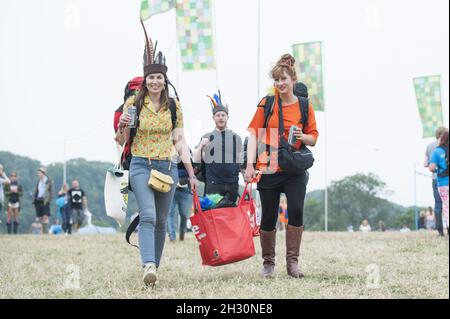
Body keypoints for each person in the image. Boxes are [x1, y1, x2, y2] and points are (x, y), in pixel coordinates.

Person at [115, 20, 197, 286]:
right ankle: (147, 263)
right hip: (140, 164)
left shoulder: (174, 106)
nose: (154, 81)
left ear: (164, 80)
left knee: (162, 220)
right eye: (150, 77)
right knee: (148, 215)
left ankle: (154, 268)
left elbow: (180, 141)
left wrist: (192, 173)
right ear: (145, 79)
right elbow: (122, 139)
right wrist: (123, 127)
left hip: (167, 167)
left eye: (159, 78)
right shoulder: (133, 103)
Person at [245, 53, 319, 279]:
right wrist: (249, 165)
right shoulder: (267, 104)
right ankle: (268, 264)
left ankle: (292, 263)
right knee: (268, 215)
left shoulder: (305, 106)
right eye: (276, 80)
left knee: (296, 210)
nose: (280, 84)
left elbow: (314, 138)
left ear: (293, 80)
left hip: (294, 167)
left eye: (284, 79)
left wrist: (301, 135)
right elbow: (254, 135)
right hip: (269, 166)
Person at [193, 92, 242, 203]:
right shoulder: (206, 137)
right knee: (212, 218)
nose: (221, 118)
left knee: (230, 218)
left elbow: (240, 161)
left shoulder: (236, 138)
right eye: (218, 115)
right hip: (213, 185)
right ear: (213, 118)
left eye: (223, 115)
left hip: (232, 185)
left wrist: (247, 176)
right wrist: (201, 146)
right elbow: (196, 159)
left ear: (227, 117)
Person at [424, 127, 447, 236]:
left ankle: (440, 231)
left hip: (436, 179)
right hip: (446, 179)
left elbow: (426, 164)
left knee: (438, 204)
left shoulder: (429, 146)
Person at [167, 162, 193, 242]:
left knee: (184, 214)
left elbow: (193, 168)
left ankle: (182, 234)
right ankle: (172, 236)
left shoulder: (188, 153)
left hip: (184, 189)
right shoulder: (169, 153)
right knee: (169, 213)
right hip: (171, 187)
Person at [33, 167, 53, 234]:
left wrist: (49, 199)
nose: (38, 174)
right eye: (38, 173)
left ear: (43, 173)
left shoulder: (48, 180)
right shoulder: (38, 181)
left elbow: (50, 191)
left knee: (45, 216)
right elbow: (37, 190)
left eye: (39, 173)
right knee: (41, 217)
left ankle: (46, 232)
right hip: (38, 199)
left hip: (45, 200)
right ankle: (43, 232)